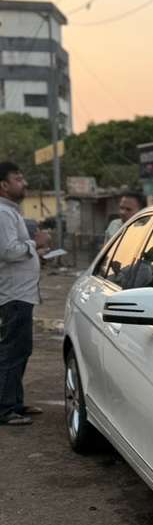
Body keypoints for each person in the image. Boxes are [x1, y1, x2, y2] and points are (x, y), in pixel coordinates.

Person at [0, 162, 52, 426]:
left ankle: (15, 403)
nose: (24, 183)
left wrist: (36, 252)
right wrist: (35, 243)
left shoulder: (12, 211)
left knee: (21, 349)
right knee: (13, 350)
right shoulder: (3, 213)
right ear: (4, 185)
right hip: (13, 295)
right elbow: (8, 251)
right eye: (18, 178)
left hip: (21, 294)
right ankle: (6, 408)